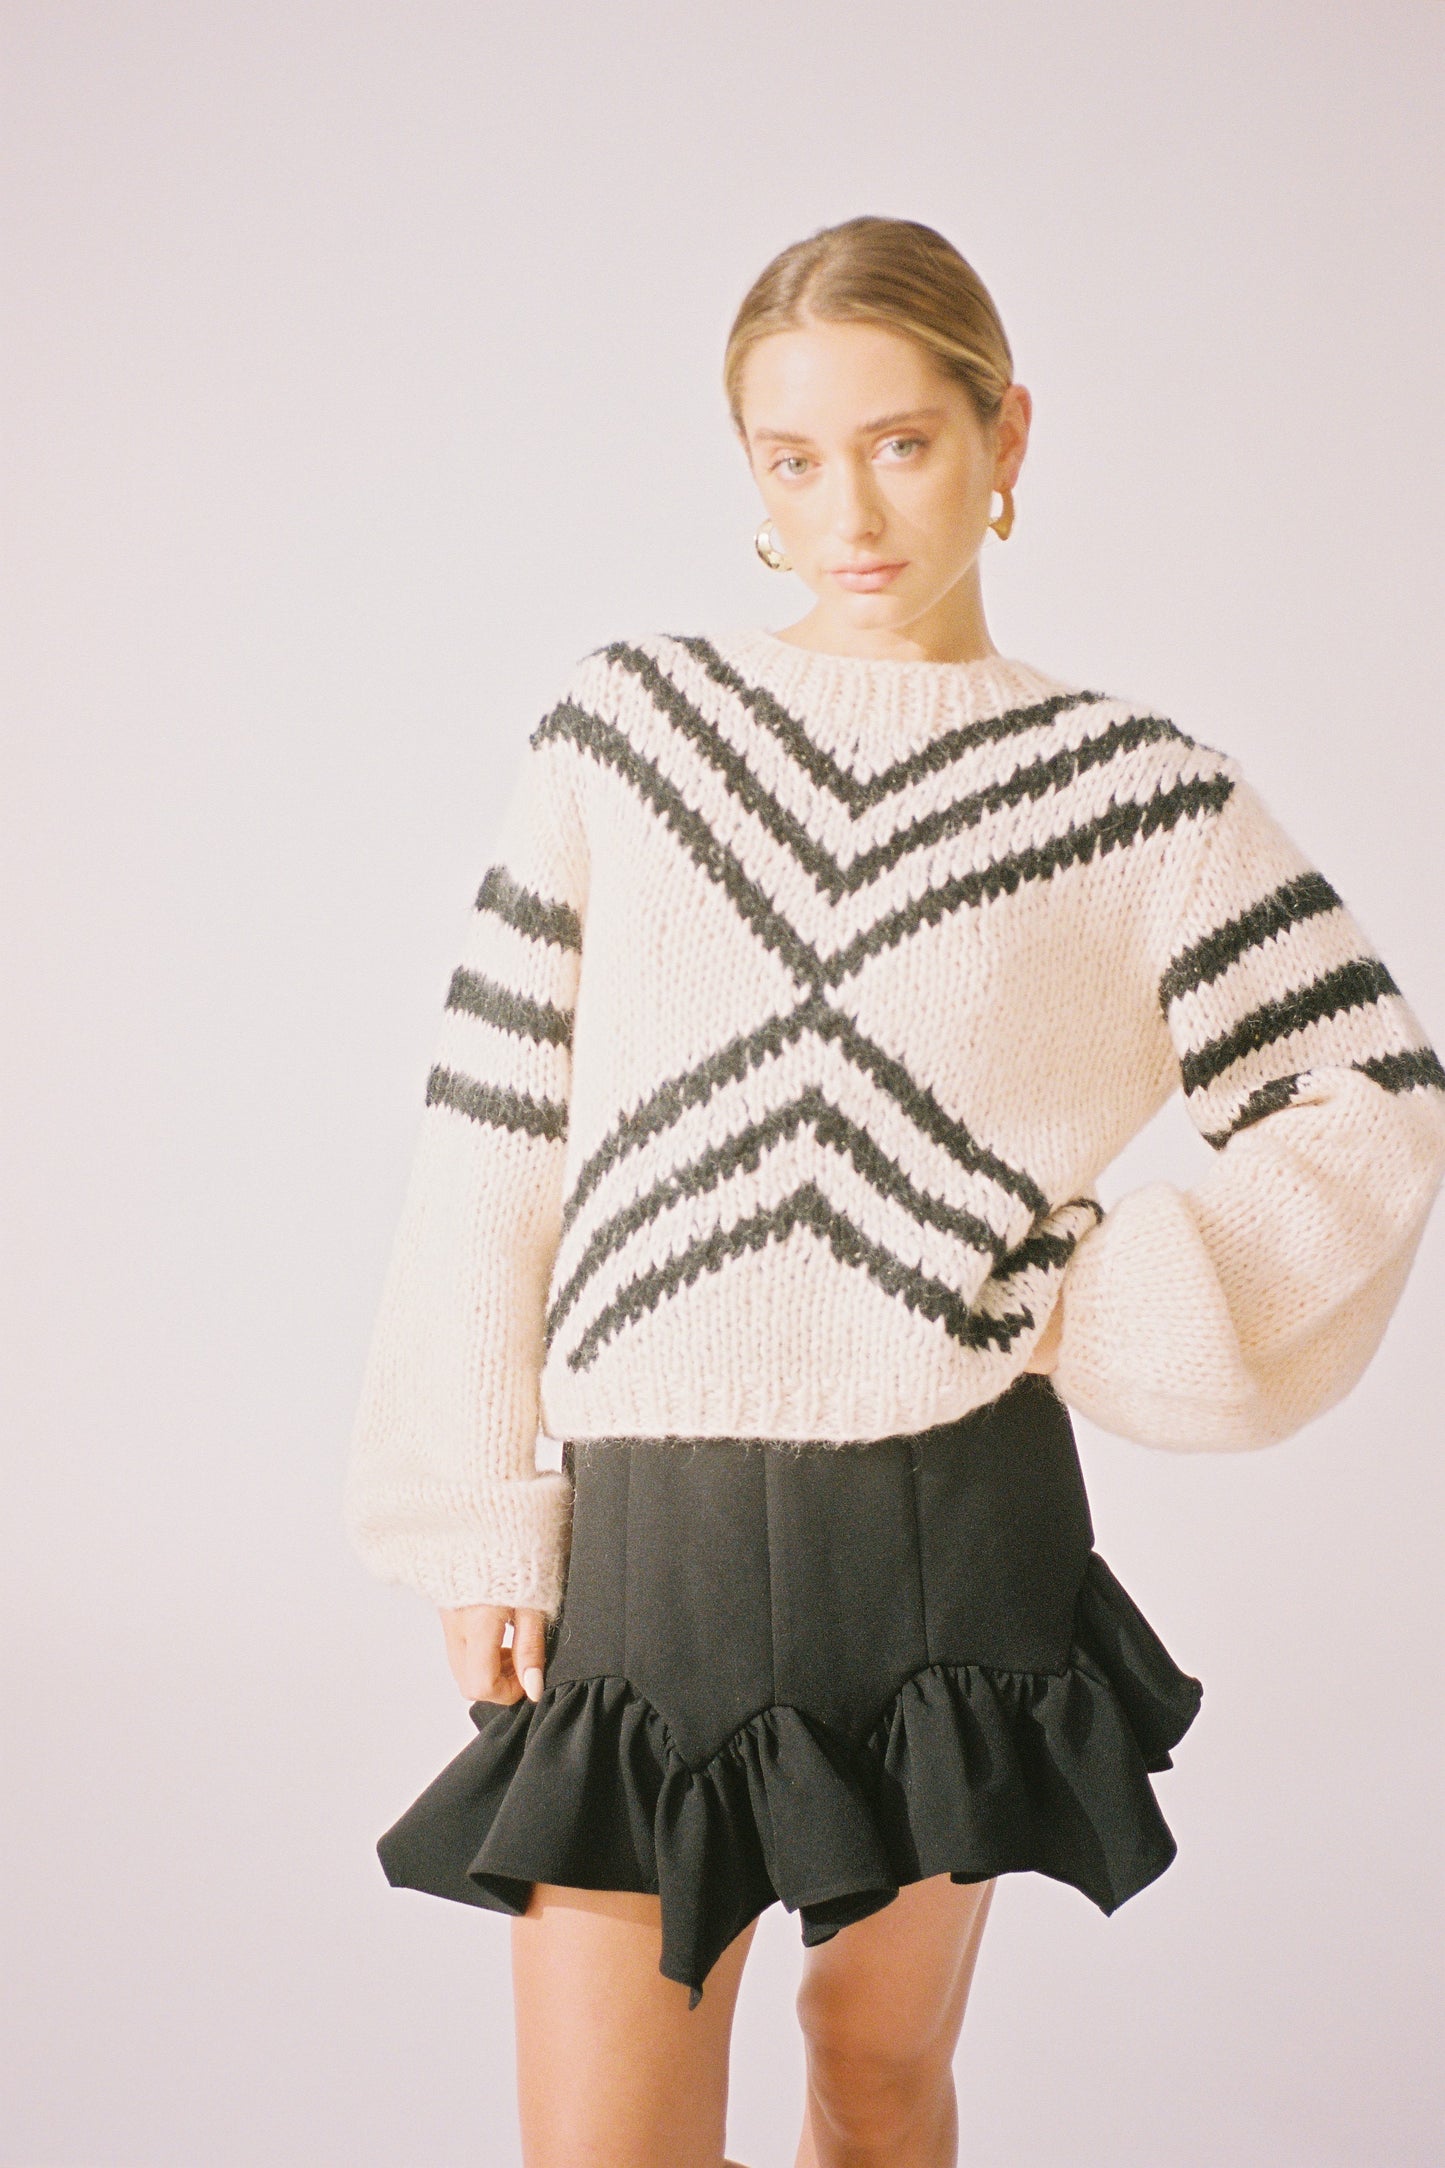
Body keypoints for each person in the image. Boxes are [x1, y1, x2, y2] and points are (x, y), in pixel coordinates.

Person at [341, 216, 1445, 2168]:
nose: (847, 510)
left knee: (876, 2079)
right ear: (747, 471)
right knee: (604, 2143)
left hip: (951, 1524)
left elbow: (1369, 1098)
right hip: (652, 1532)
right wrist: (473, 1507)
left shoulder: (1139, 797)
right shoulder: (627, 734)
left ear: (1004, 433)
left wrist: (1076, 1286)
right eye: (793, 458)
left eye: (902, 444)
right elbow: (492, 1122)